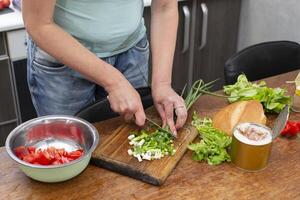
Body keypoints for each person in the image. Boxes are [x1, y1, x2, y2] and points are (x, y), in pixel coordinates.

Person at [22, 0, 187, 136]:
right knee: (67, 148)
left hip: (131, 52)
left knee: (129, 143)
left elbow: (165, 7)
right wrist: (115, 82)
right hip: (63, 64)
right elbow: (38, 24)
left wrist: (163, 83)